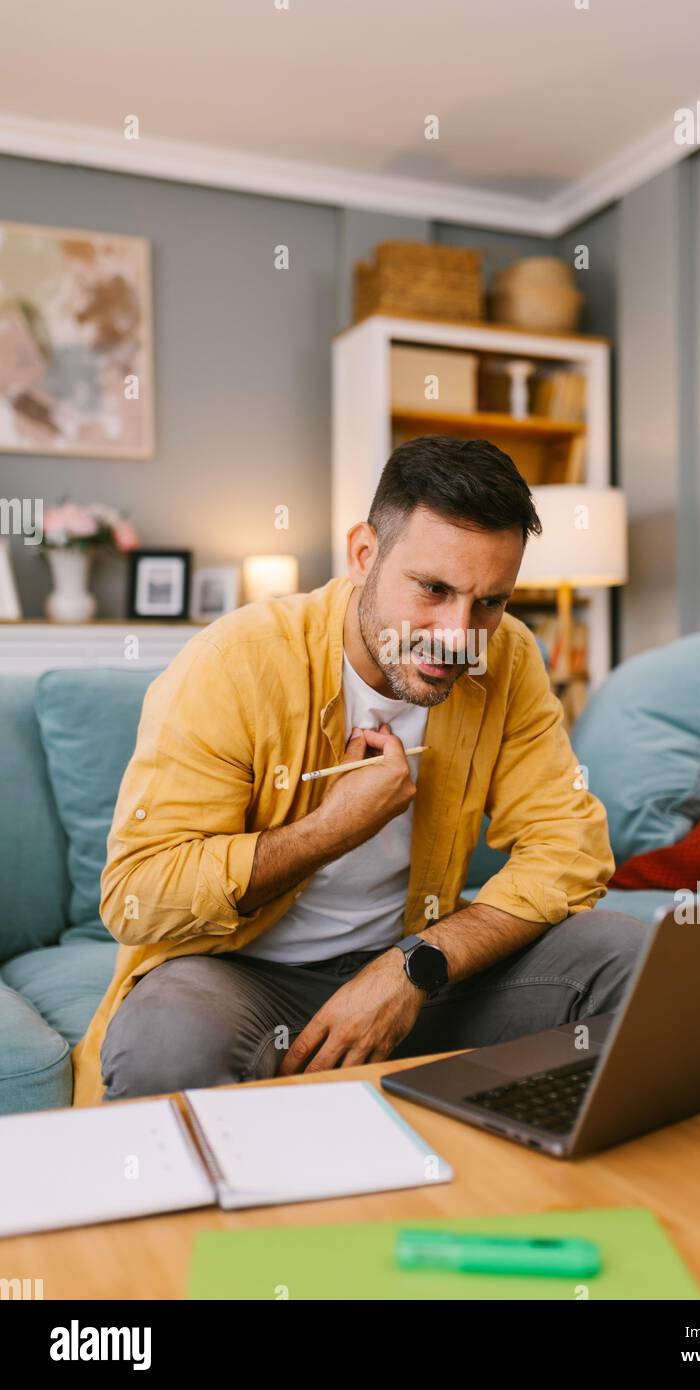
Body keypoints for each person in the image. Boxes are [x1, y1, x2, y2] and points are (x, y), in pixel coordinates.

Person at [72, 435, 644, 1105]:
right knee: (167, 1042)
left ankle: (539, 1179)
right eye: (433, 589)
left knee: (627, 955)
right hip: (245, 979)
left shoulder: (507, 658)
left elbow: (570, 850)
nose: (459, 633)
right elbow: (136, 896)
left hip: (417, 972)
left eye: (489, 602)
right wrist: (332, 830)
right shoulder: (234, 664)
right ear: (364, 554)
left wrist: (415, 966)